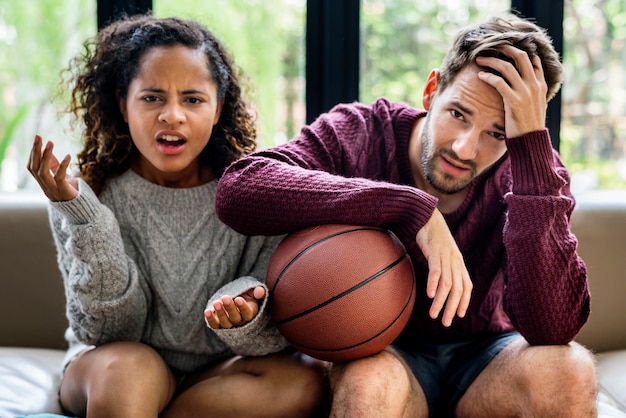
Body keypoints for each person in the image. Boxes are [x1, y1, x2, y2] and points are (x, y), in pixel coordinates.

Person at [215, 13, 597, 417]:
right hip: (383, 353)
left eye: (498, 133)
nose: (466, 149)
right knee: (368, 382)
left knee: (569, 370)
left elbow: (553, 329)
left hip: (488, 359)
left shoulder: (535, 170)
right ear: (431, 91)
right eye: (459, 114)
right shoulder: (361, 132)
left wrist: (531, 150)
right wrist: (410, 208)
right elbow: (239, 189)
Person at [27, 14, 328, 418]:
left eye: (192, 99)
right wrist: (86, 218)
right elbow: (109, 332)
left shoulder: (254, 192)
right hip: (112, 366)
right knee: (131, 373)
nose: (173, 115)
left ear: (218, 107)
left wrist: (243, 312)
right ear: (123, 103)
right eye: (152, 97)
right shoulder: (83, 194)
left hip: (215, 372)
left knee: (304, 381)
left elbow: (271, 339)